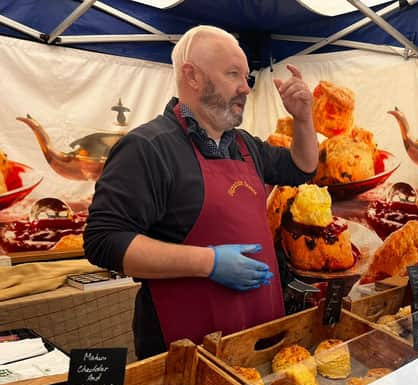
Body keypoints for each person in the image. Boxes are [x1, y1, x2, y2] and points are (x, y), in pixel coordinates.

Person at [84, 25, 318, 359]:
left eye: (247, 77)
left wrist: (303, 118)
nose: (245, 88)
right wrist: (208, 262)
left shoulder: (244, 145)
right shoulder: (147, 148)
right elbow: (104, 241)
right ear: (192, 76)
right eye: (233, 74)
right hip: (186, 348)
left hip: (259, 335)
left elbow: (302, 168)